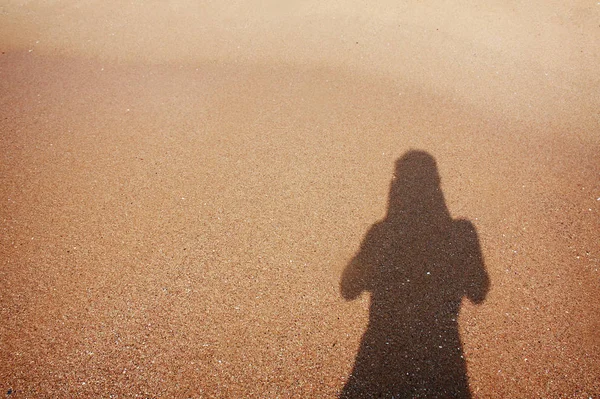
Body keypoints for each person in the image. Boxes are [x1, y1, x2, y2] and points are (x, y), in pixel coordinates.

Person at [340, 150, 489, 398]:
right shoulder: (460, 234)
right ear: (437, 186)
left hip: (380, 361)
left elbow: (348, 288)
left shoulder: (382, 234)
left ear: (397, 187)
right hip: (441, 361)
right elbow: (479, 291)